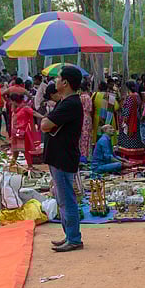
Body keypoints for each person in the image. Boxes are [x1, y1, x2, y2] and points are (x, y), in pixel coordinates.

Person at [42, 66, 85, 253]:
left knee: (67, 199)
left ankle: (74, 238)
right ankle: (69, 235)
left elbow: (45, 125)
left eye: (58, 78)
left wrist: (47, 122)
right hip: (58, 155)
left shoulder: (70, 104)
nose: (55, 81)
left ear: (65, 82)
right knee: (62, 198)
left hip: (63, 156)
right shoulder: (65, 102)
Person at [9, 93, 42, 170]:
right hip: (15, 132)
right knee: (15, 151)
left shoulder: (25, 108)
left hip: (23, 133)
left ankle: (30, 166)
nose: (10, 103)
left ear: (14, 101)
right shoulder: (15, 108)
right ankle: (12, 165)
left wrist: (43, 117)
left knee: (25, 150)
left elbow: (34, 113)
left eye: (11, 101)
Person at [117, 81, 145, 161]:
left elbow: (127, 110)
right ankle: (137, 153)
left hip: (130, 120)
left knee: (129, 136)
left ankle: (129, 154)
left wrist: (124, 119)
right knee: (136, 136)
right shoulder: (137, 96)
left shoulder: (130, 97)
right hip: (137, 118)